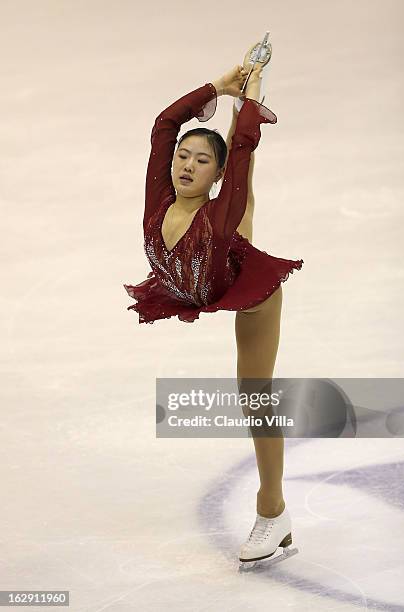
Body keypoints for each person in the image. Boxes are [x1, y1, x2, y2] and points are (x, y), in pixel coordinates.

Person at [124, 41, 304, 565]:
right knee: (231, 192)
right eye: (183, 156)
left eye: (202, 161)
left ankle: (273, 511)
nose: (186, 165)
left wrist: (247, 106)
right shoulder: (159, 198)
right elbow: (163, 125)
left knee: (255, 398)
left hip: (245, 289)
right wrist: (218, 88)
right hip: (196, 278)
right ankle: (248, 91)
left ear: (213, 174)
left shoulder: (220, 209)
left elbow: (241, 151)